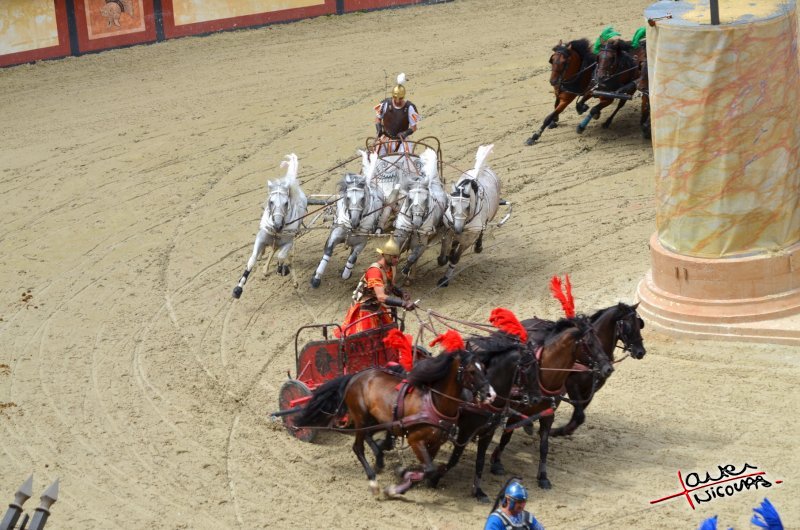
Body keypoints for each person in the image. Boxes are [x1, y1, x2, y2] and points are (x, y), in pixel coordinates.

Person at [338, 238, 415, 336]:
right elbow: (381, 296)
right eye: (394, 257)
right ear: (385, 256)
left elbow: (389, 285)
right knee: (370, 340)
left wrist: (401, 293)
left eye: (397, 257)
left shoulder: (391, 268)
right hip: (365, 309)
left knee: (390, 335)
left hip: (377, 307)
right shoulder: (375, 271)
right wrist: (403, 303)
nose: (397, 260)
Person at [374, 72, 421, 154]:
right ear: (393, 96)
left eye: (400, 98)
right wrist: (378, 127)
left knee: (406, 159)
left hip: (401, 141)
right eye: (395, 98)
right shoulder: (385, 104)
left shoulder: (409, 108)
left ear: (403, 96)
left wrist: (405, 133)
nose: (397, 101)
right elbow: (378, 118)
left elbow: (414, 127)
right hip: (385, 139)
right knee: (375, 156)